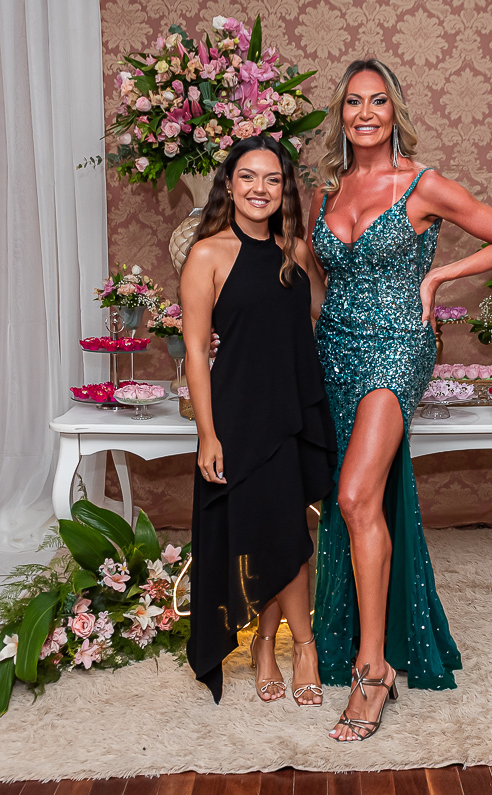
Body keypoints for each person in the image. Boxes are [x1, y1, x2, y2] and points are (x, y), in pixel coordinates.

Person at [307, 59, 492, 741]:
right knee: (356, 500)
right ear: (340, 114)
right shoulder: (326, 189)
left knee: (354, 497)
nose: (365, 113)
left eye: (377, 101)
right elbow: (317, 279)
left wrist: (438, 276)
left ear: (394, 111)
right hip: (333, 349)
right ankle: (358, 639)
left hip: (396, 347)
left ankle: (373, 669)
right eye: (353, 102)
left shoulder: (422, 184)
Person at [181, 135, 336, 706]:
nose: (259, 189)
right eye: (248, 177)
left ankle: (292, 646)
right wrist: (208, 434)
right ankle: (274, 647)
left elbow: (320, 312)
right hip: (239, 416)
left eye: (272, 179)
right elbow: (195, 350)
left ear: (284, 188)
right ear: (229, 183)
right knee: (264, 532)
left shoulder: (295, 250)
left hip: (291, 410)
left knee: (288, 533)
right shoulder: (207, 254)